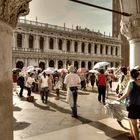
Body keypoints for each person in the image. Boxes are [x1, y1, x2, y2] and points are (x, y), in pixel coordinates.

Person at [118, 69, 140, 140]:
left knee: (134, 125)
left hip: (133, 106)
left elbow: (126, 94)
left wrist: (118, 99)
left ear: (131, 75)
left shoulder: (131, 83)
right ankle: (133, 136)